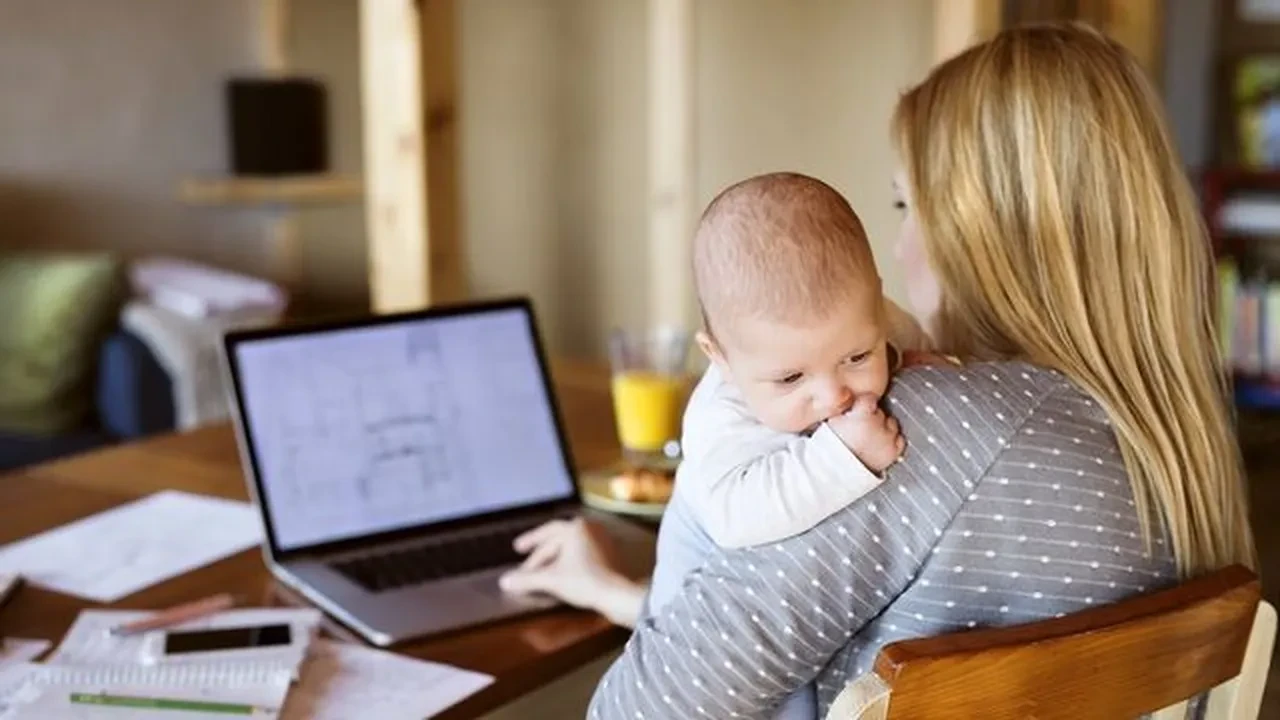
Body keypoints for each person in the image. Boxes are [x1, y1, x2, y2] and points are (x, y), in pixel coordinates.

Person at [513, 23, 1255, 719]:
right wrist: (622, 595)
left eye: (908, 205)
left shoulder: (928, 429)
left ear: (985, 233)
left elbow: (642, 709)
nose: (896, 251)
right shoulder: (1176, 442)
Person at [681, 171, 931, 551]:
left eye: (858, 357)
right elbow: (734, 520)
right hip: (695, 572)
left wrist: (932, 364)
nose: (834, 397)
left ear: (878, 306)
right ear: (721, 359)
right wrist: (845, 455)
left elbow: (917, 345)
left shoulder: (877, 319)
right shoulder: (720, 417)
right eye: (790, 378)